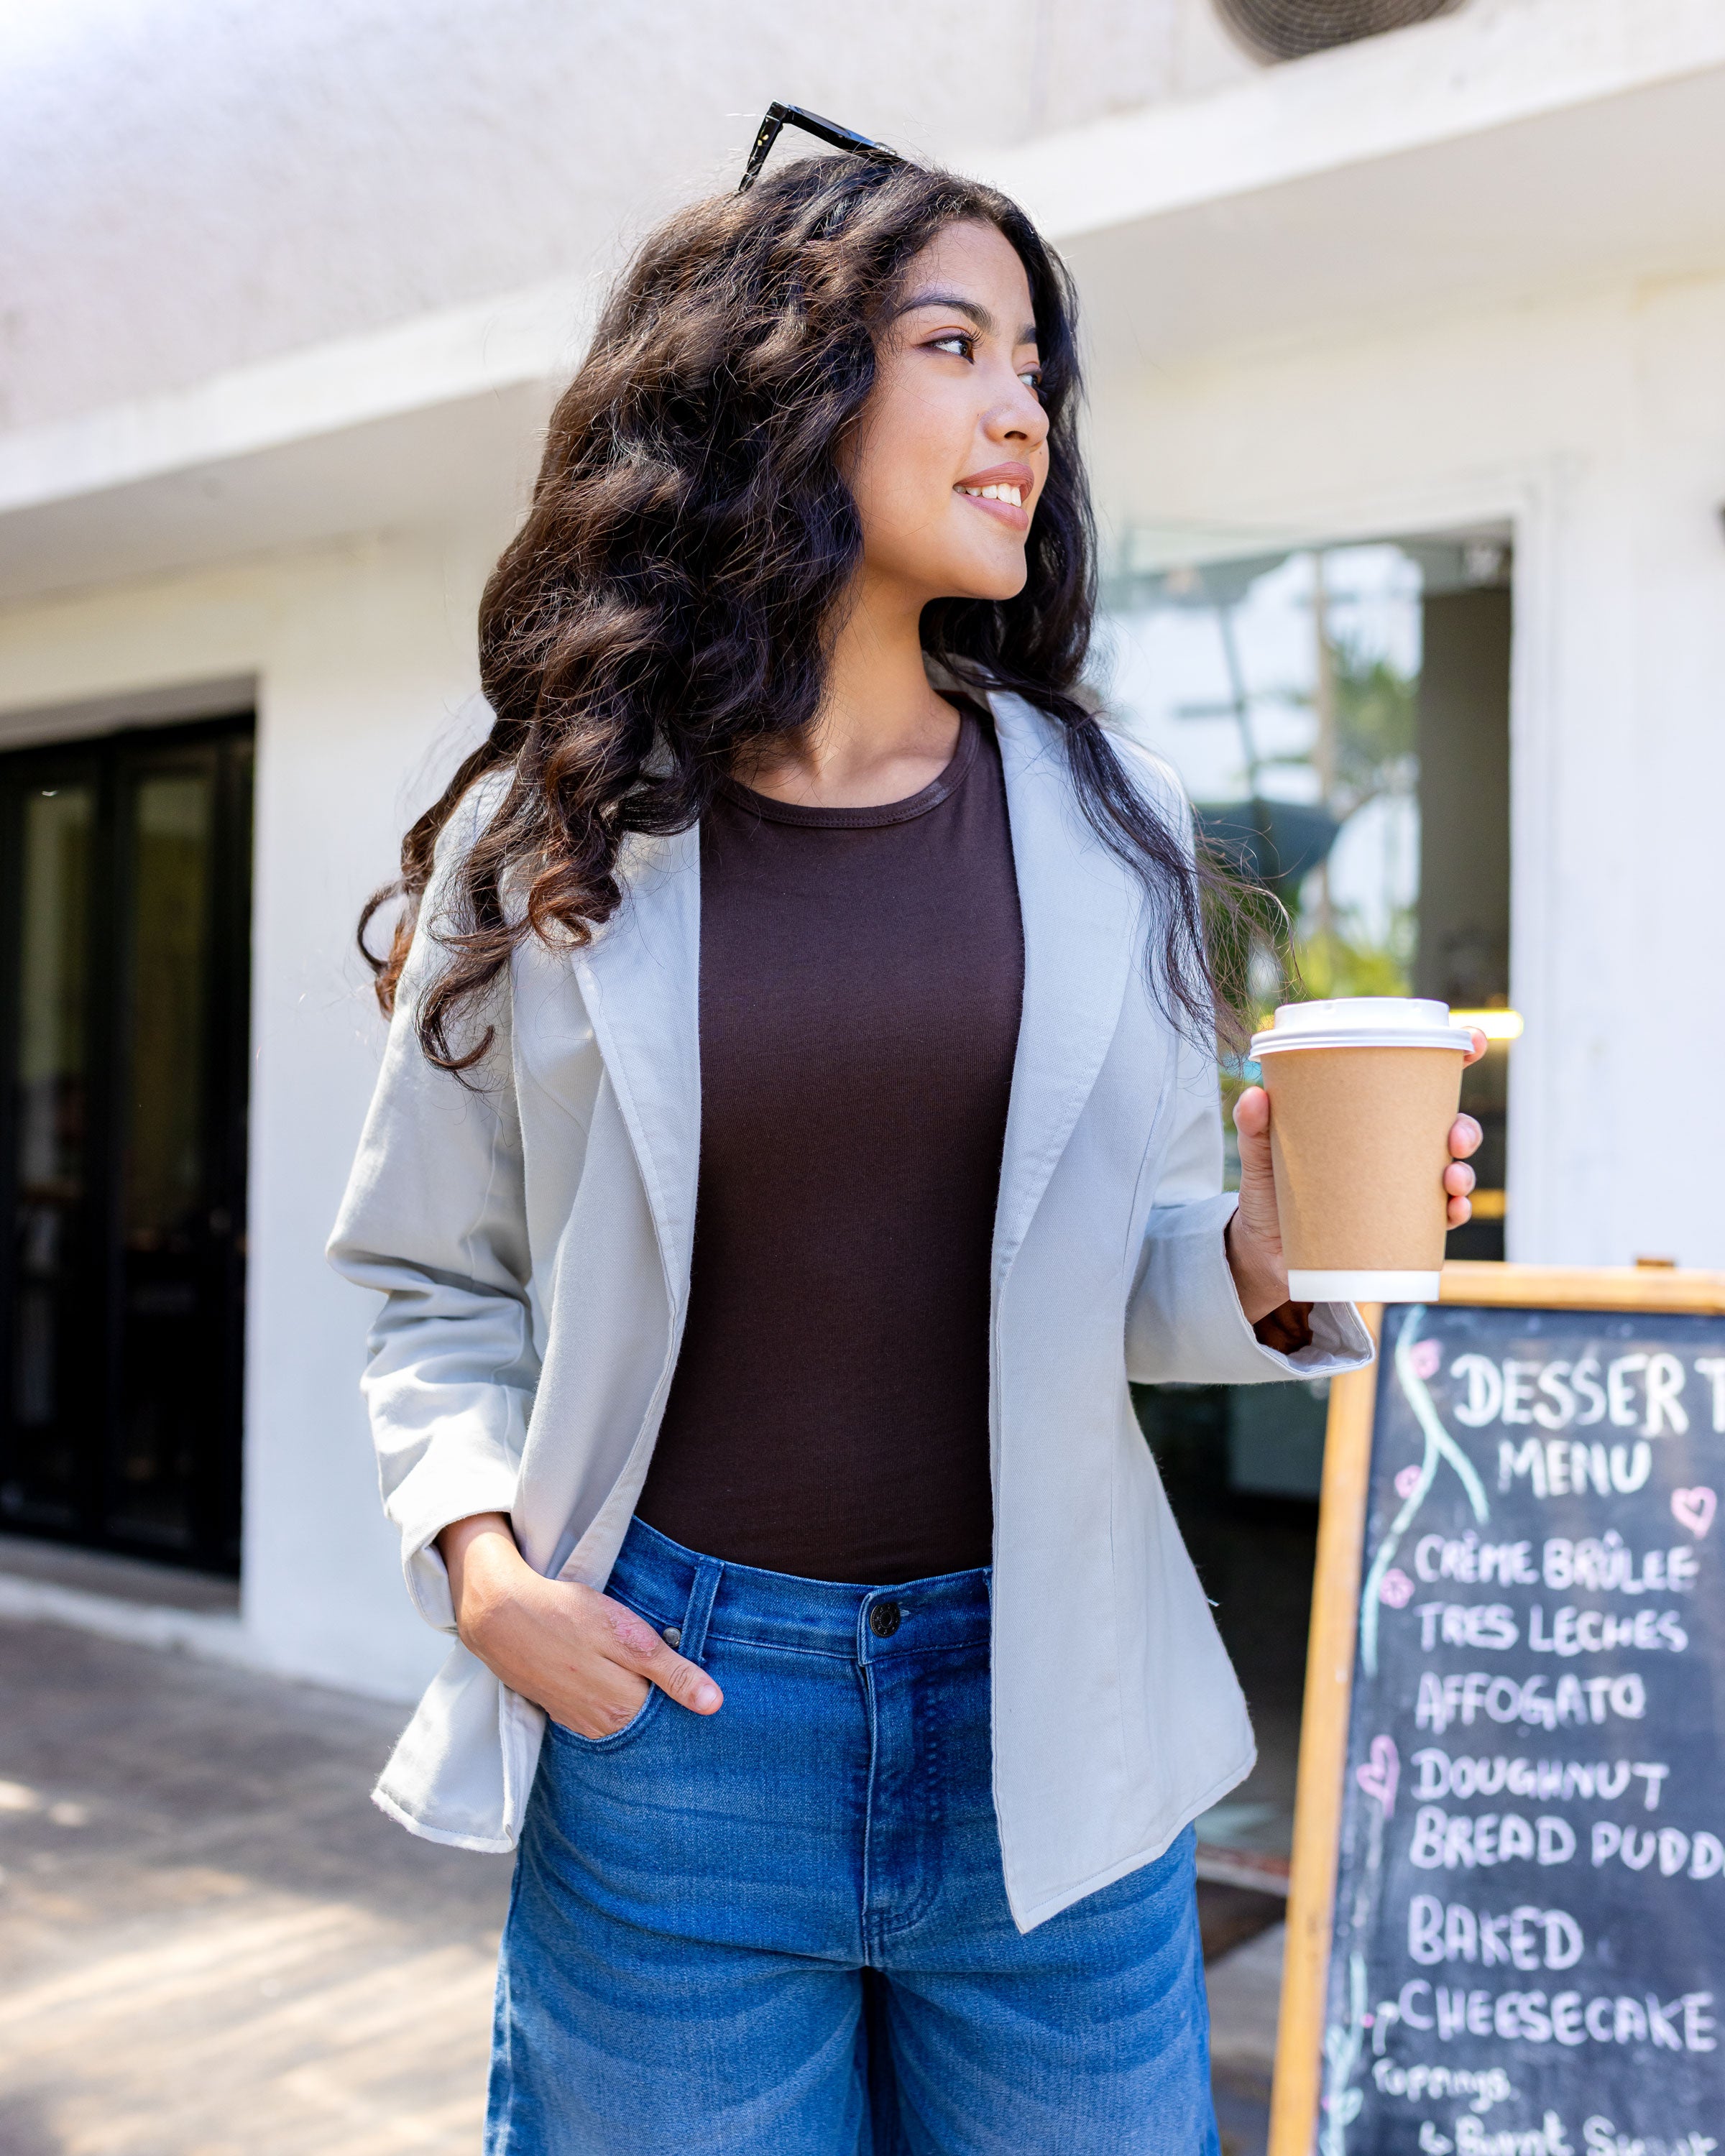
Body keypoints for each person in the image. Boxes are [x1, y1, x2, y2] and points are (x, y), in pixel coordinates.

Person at [329, 119, 1482, 2156]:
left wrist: (1262, 1257)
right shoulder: (556, 831)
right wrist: (485, 1565)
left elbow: (1125, 1271)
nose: (1022, 408)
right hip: (672, 1718)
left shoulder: (1100, 804)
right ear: (789, 384)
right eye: (960, 342)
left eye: (1038, 362)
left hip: (1052, 1722)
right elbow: (431, 1275)